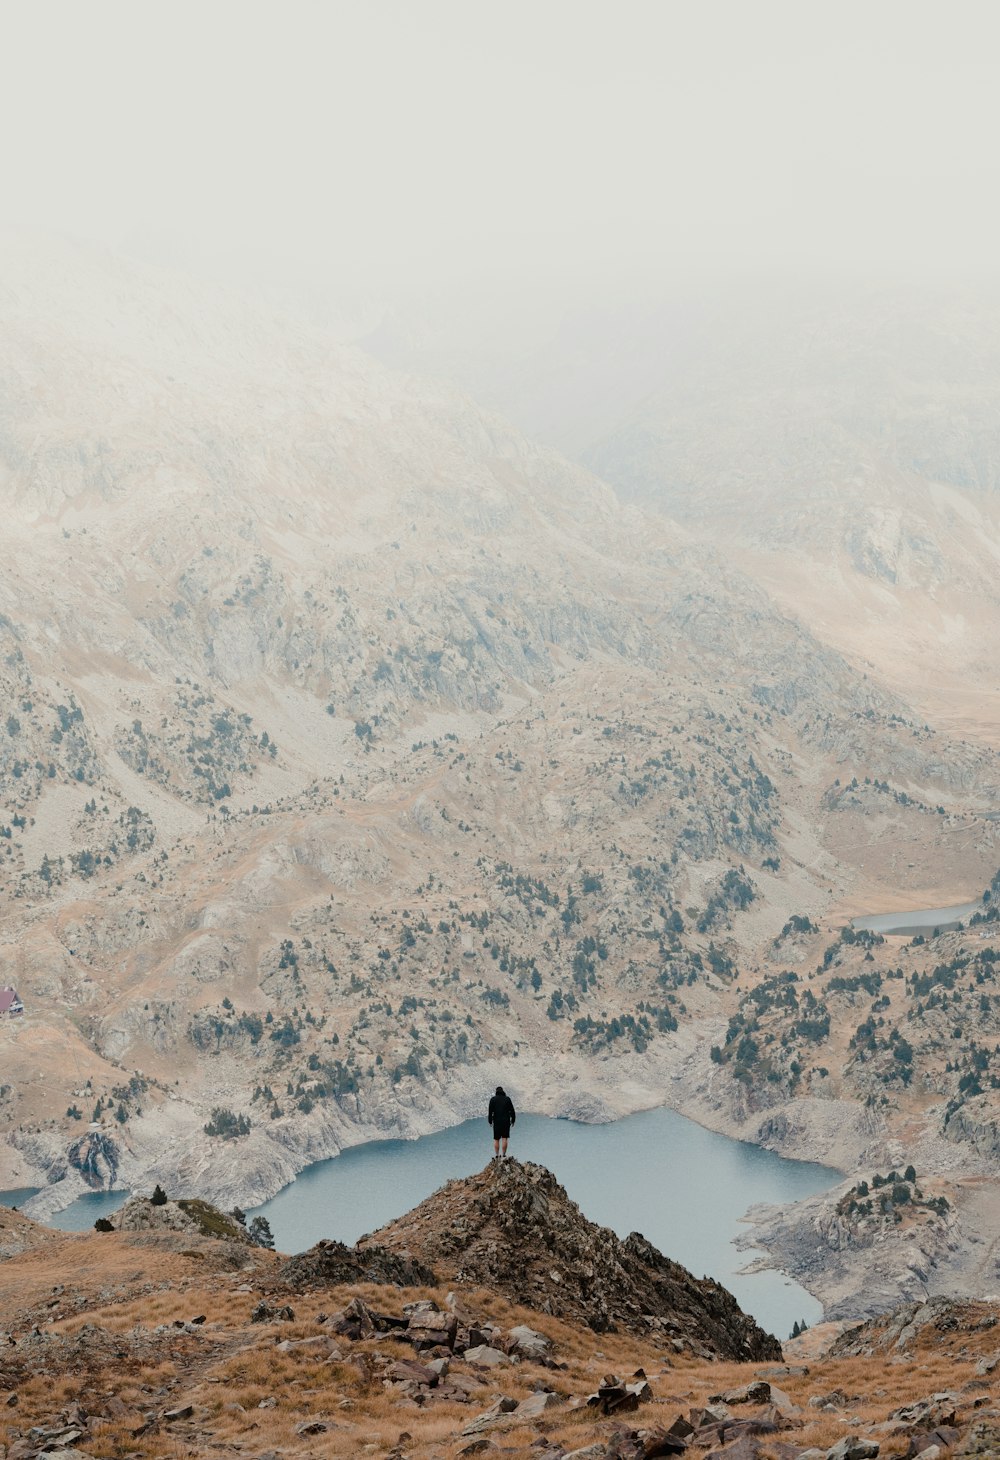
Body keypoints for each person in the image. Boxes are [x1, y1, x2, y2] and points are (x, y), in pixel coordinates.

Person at [488, 1085, 516, 1159]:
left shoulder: (493, 1099)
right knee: (504, 1138)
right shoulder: (507, 1099)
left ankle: (497, 1155)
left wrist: (490, 1121)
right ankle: (503, 1155)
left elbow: (490, 1112)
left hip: (497, 1121)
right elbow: (512, 1111)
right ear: (503, 1091)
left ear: (496, 1092)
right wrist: (513, 1120)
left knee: (496, 1139)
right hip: (506, 1121)